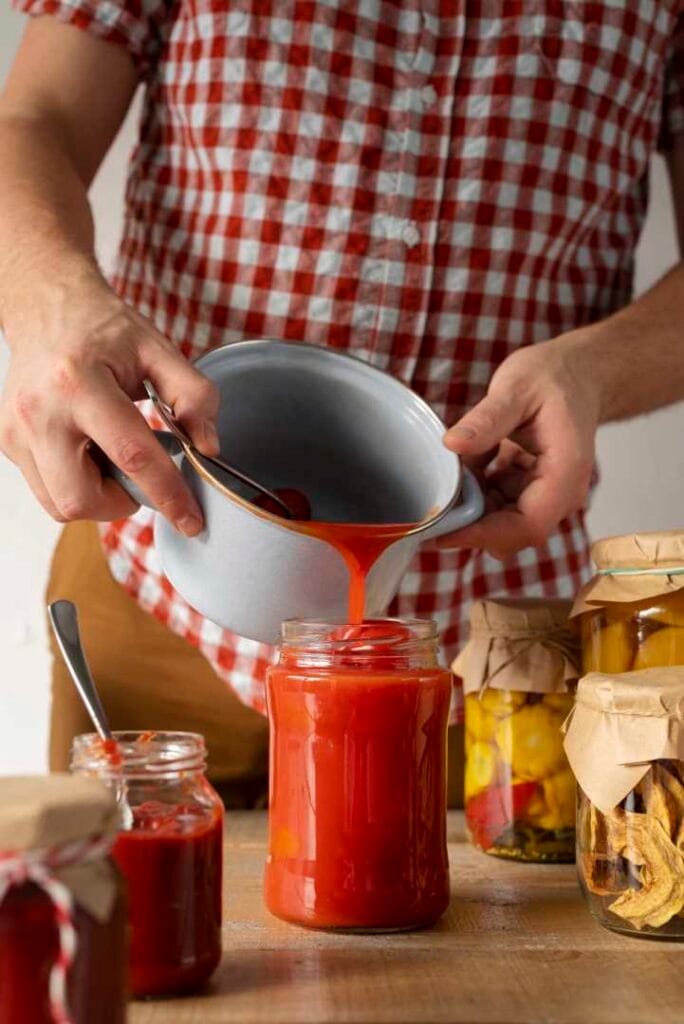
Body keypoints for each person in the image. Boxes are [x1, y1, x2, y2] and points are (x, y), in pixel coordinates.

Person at [1, 3, 683, 806]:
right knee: (125, 919)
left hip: (487, 655)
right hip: (156, 593)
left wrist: (593, 372)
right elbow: (32, 118)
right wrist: (52, 306)